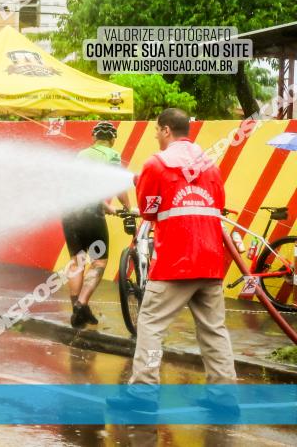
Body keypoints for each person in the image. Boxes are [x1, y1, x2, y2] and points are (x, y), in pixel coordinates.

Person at [107, 108, 237, 413]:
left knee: (150, 324)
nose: (155, 134)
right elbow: (218, 206)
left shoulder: (156, 163)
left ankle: (143, 394)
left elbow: (150, 211)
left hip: (175, 263)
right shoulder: (211, 166)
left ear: (167, 130)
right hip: (210, 261)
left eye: (156, 130)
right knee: (214, 329)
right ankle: (224, 397)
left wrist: (143, 182)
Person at [61, 121, 131, 329]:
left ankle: (78, 309)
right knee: (99, 262)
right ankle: (82, 304)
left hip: (69, 211)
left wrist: (103, 205)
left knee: (77, 261)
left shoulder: (81, 155)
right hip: (90, 213)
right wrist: (127, 206)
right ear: (112, 140)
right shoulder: (112, 154)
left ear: (94, 138)